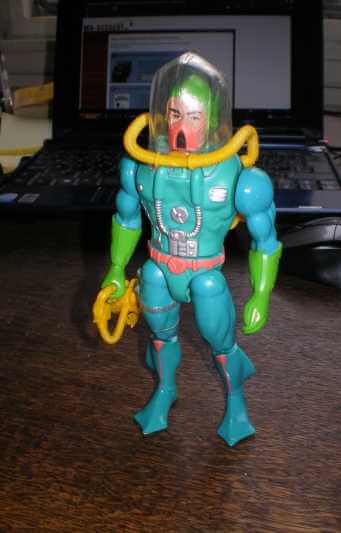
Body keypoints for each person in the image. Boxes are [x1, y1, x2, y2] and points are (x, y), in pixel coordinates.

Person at [99, 52, 282, 446]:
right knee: (158, 323)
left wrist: (261, 293)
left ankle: (236, 402)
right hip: (159, 268)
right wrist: (116, 269)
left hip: (204, 272)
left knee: (218, 330)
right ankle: (165, 389)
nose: (182, 127)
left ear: (211, 120)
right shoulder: (141, 168)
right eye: (175, 114)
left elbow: (265, 240)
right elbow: (127, 218)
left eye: (194, 116)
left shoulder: (238, 179)